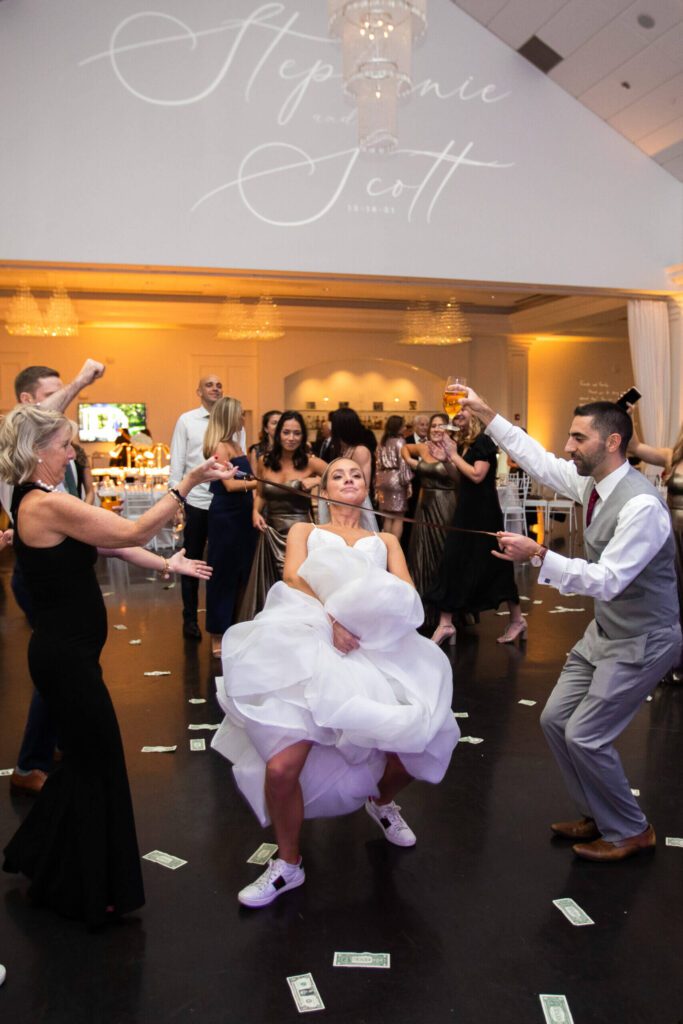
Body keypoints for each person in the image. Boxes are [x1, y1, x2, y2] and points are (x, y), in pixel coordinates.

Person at [0, 404, 235, 926]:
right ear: (39, 451)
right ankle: (84, 887)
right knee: (97, 763)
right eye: (65, 445)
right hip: (64, 661)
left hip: (73, 655)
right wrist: (187, 482)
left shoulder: (47, 500)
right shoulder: (42, 504)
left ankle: (41, 855)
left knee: (88, 763)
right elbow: (128, 532)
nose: (71, 453)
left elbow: (113, 547)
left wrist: (167, 562)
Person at [212, 457, 460, 907]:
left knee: (423, 741)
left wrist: (374, 621)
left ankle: (382, 802)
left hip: (375, 644)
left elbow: (405, 591)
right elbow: (293, 578)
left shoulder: (384, 539)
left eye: (356, 475)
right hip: (310, 641)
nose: (348, 481)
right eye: (338, 475)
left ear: (368, 488)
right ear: (322, 489)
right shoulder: (305, 531)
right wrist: (333, 619)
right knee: (282, 767)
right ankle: (288, 865)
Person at [464, 391, 680, 862]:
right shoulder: (593, 483)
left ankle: (629, 829)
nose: (567, 445)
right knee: (555, 719)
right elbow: (536, 459)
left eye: (578, 437)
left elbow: (608, 580)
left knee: (586, 733)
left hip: (645, 637)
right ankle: (598, 813)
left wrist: (540, 554)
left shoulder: (642, 507)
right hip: (606, 632)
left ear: (613, 441)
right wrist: (485, 414)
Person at [10, 362, 105, 795]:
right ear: (28, 403)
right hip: (42, 575)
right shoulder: (13, 439)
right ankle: (30, 763)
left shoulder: (56, 448)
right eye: (56, 392)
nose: (67, 397)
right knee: (60, 667)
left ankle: (66, 740)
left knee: (72, 669)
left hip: (64, 561)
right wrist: (81, 380)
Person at [427, 405, 524, 647]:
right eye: (455, 413)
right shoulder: (463, 444)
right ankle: (446, 622)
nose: (457, 415)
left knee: (496, 565)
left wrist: (453, 454)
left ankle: (517, 619)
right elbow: (460, 478)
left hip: (484, 514)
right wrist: (447, 460)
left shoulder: (484, 442)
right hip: (465, 511)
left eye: (462, 411)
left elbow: (477, 475)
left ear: (475, 415)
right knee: (452, 561)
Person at [238, 412, 326, 621]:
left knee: (298, 584)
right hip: (271, 532)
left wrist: (316, 481)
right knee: (272, 586)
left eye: (297, 433)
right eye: (286, 432)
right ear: (277, 434)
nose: (291, 438)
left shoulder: (311, 462)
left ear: (303, 436)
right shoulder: (264, 461)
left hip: (301, 535)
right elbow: (261, 493)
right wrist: (255, 511)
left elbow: (340, 474)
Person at [169, 374, 238, 640]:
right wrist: (176, 498)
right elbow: (177, 461)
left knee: (221, 563)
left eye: (220, 384)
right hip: (197, 501)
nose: (216, 388)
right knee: (192, 559)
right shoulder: (187, 420)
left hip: (226, 502)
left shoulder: (232, 424)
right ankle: (189, 618)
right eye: (210, 384)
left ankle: (220, 618)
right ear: (199, 391)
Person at [626, 417, 683, 683]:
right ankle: (673, 661)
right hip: (673, 533)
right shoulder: (673, 457)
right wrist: (629, 414)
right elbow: (636, 447)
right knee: (672, 597)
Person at [203, 397, 259, 657]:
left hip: (244, 514)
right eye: (240, 415)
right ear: (229, 417)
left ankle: (237, 627)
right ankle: (217, 632)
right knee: (222, 573)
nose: (243, 419)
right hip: (225, 516)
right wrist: (260, 484)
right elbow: (229, 485)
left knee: (243, 573)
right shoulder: (219, 447)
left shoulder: (237, 444)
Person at [402, 414, 458, 616]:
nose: (435, 429)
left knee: (442, 555)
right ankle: (422, 609)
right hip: (423, 506)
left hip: (445, 506)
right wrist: (410, 460)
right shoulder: (423, 447)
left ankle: (445, 612)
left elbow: (459, 478)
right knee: (420, 555)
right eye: (433, 426)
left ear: (449, 429)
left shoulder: (454, 449)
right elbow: (405, 447)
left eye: (440, 426)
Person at [375, 415, 412, 542]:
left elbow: (377, 464)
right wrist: (408, 483)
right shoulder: (400, 442)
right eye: (403, 425)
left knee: (387, 516)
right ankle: (395, 547)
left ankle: (386, 547)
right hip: (396, 479)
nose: (405, 427)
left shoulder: (382, 442)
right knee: (398, 517)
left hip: (383, 478)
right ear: (398, 427)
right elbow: (404, 464)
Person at [248, 409, 282, 475]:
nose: (279, 426)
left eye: (281, 423)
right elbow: (256, 477)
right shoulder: (256, 450)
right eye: (274, 423)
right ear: (266, 428)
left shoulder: (290, 448)